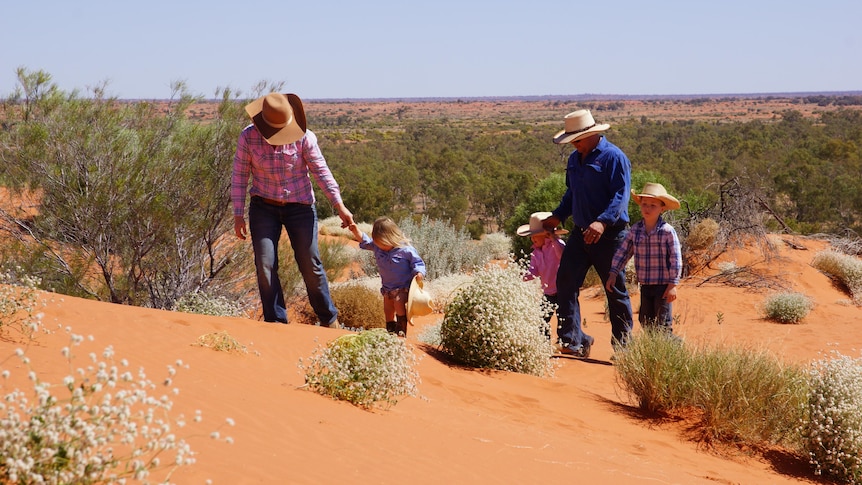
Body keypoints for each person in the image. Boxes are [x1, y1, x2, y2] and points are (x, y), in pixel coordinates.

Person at [232, 92, 354, 327]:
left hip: (300, 207)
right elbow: (239, 175)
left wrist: (340, 206)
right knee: (265, 265)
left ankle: (329, 320)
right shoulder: (248, 137)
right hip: (263, 207)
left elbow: (321, 172)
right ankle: (276, 322)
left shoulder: (304, 137)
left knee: (311, 264)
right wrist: (238, 214)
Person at [542, 109, 635, 358]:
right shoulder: (574, 160)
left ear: (592, 134)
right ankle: (574, 340)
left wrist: (602, 222)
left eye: (578, 139)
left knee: (614, 289)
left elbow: (620, 196)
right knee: (566, 283)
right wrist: (558, 214)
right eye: (572, 140)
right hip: (579, 234)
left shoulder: (614, 157)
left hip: (610, 236)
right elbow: (571, 194)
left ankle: (625, 349)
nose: (574, 144)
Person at [606, 183, 682, 334]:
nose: (647, 208)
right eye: (644, 204)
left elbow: (676, 258)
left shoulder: (667, 231)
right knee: (646, 320)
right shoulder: (636, 230)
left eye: (653, 205)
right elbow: (624, 252)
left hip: (663, 286)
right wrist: (614, 272)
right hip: (645, 285)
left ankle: (670, 351)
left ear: (662, 208)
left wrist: (673, 284)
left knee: (662, 323)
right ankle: (652, 352)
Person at [349, 217, 426, 337]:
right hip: (387, 288)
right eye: (377, 243)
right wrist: (355, 230)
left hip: (403, 288)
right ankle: (390, 331)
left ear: (391, 238)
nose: (380, 246)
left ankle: (401, 330)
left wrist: (419, 273)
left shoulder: (406, 250)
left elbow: (418, 263)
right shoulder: (377, 247)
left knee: (399, 303)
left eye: (383, 244)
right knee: (388, 309)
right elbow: (364, 240)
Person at [517, 211, 567, 339]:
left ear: (546, 235)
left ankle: (573, 342)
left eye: (536, 235)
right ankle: (544, 343)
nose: (533, 238)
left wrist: (553, 239)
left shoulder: (557, 244)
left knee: (565, 321)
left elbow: (563, 255)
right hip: (548, 292)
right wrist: (520, 277)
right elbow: (533, 272)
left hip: (563, 291)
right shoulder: (535, 253)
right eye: (532, 236)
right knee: (542, 320)